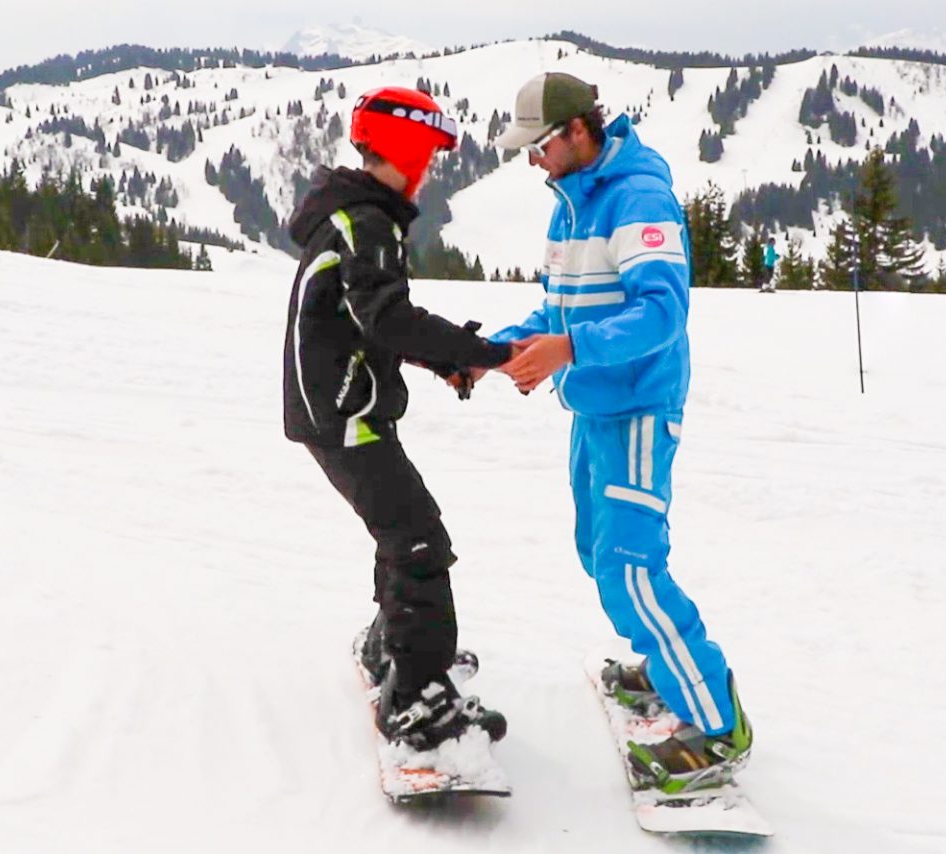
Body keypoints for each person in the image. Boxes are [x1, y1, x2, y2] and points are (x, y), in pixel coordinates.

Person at [488, 72, 752, 793]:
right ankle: (673, 666)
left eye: (539, 145)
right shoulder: (572, 206)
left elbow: (661, 314)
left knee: (630, 567)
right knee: (596, 552)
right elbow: (558, 314)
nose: (533, 161)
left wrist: (569, 351)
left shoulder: (636, 199)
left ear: (578, 131)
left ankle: (715, 727)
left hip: (637, 403)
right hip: (593, 405)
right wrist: (490, 353)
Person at [283, 86, 509, 751]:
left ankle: (393, 650)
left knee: (401, 530)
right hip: (344, 415)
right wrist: (482, 354)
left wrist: (444, 364)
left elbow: (365, 322)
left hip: (339, 409)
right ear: (407, 148)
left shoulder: (356, 214)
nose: (432, 168)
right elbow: (388, 318)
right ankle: (416, 698)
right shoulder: (366, 223)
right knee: (419, 540)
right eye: (430, 153)